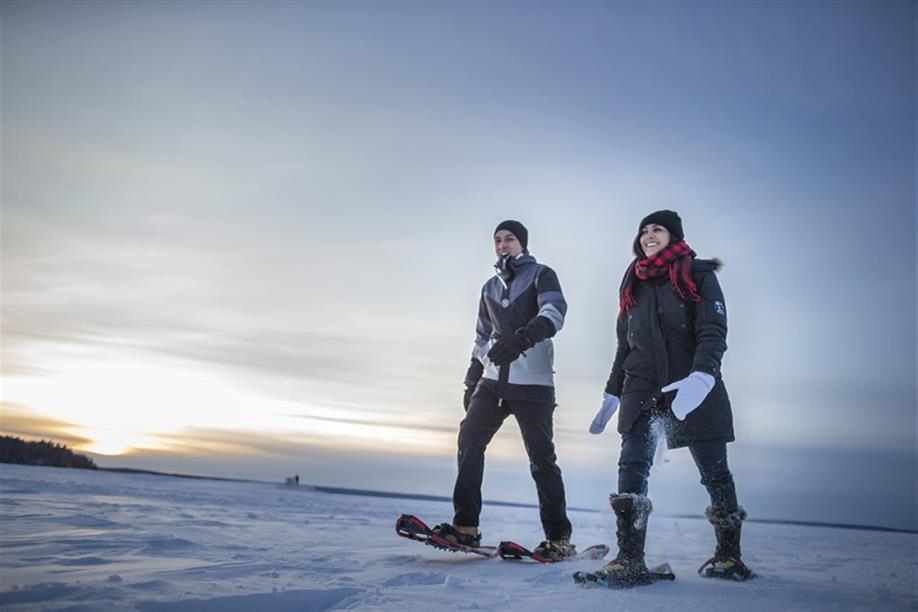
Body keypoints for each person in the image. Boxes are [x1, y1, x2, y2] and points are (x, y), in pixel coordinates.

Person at [588, 210, 752, 584]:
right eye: (644, 230)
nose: (649, 235)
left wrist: (702, 377)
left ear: (673, 236)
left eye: (657, 229)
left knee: (714, 472)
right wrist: (612, 392)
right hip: (641, 389)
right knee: (631, 468)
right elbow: (623, 346)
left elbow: (713, 329)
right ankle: (630, 559)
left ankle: (729, 556)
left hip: (691, 386)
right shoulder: (633, 284)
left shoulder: (697, 274)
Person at [432, 220, 575, 561]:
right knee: (469, 438)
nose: (502, 245)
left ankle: (558, 538)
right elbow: (482, 336)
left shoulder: (542, 274)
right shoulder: (489, 288)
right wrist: (472, 377)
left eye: (509, 239)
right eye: (497, 240)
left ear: (522, 243)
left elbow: (555, 314)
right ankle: (465, 526)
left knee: (542, 459)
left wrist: (523, 338)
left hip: (533, 383)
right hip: (493, 381)